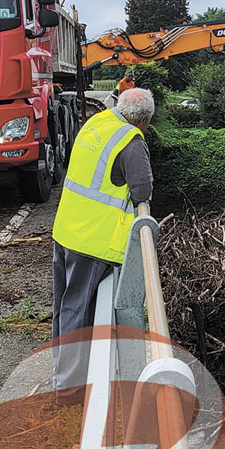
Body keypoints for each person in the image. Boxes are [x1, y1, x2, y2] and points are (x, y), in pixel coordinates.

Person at [51, 88, 155, 402]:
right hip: (93, 240)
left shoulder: (96, 123)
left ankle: (64, 374)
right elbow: (143, 189)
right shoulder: (131, 140)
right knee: (77, 312)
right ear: (145, 119)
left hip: (66, 229)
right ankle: (68, 388)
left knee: (63, 308)